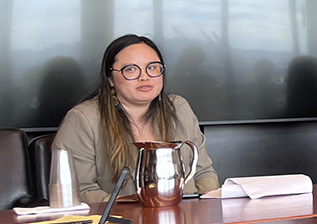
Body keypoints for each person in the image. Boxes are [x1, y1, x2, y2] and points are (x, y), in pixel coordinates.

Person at [53, 34, 220, 203]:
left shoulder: (179, 108)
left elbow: (204, 172)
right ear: (110, 78)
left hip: (187, 219)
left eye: (153, 67)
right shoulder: (83, 119)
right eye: (131, 69)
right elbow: (79, 190)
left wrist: (205, 203)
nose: (144, 77)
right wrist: (140, 206)